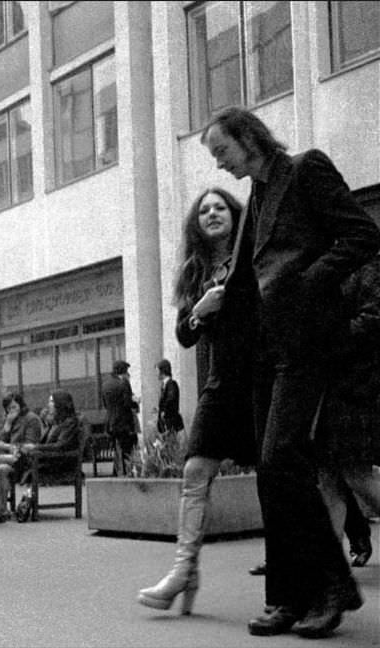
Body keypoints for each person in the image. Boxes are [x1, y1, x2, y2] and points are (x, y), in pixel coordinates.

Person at [201, 106, 380, 638]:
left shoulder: (306, 170)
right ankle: (287, 595)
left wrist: (307, 283)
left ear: (247, 137)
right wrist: (199, 321)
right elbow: (244, 283)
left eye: (221, 151)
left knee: (283, 458)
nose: (219, 164)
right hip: (266, 349)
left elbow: (363, 237)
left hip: (307, 342)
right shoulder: (258, 193)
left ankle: (333, 588)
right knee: (271, 471)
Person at [137, 187, 257, 615]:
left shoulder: (254, 255)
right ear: (196, 223)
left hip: (261, 383)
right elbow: (184, 336)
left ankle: (298, 576)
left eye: (219, 207)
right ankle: (184, 570)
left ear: (234, 214)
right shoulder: (196, 272)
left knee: (289, 478)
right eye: (204, 210)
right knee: (194, 471)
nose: (211, 214)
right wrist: (200, 310)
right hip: (219, 386)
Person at [315, 254, 380, 562]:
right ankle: (329, 568)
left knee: (355, 473)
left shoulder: (365, 265)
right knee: (329, 477)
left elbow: (372, 319)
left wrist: (329, 340)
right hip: (328, 385)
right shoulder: (326, 262)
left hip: (355, 384)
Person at [17, 390, 83, 521]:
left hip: (60, 463)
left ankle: (13, 505)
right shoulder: (56, 422)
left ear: (61, 403)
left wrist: (36, 447)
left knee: (15, 464)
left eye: (52, 401)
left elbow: (60, 446)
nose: (49, 404)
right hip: (49, 460)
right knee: (13, 462)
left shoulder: (70, 422)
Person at [0, 392, 43, 521]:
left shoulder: (31, 419)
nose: (11, 410)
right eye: (8, 408)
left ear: (20, 404)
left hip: (26, 461)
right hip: (13, 460)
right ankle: (1, 509)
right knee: (0, 466)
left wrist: (7, 447)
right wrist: (7, 425)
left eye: (14, 407)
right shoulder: (11, 419)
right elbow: (0, 441)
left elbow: (29, 445)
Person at [101, 360, 138, 475]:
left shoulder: (105, 385)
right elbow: (127, 403)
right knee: (128, 449)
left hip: (111, 423)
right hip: (124, 423)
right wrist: (136, 403)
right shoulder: (124, 383)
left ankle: (116, 472)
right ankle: (127, 472)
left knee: (116, 450)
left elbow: (105, 404)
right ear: (123, 371)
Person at [155, 359, 184, 437]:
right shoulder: (164, 385)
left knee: (170, 444)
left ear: (162, 371)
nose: (156, 374)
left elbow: (171, 400)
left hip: (170, 423)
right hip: (165, 423)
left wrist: (164, 411)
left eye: (157, 371)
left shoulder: (171, 384)